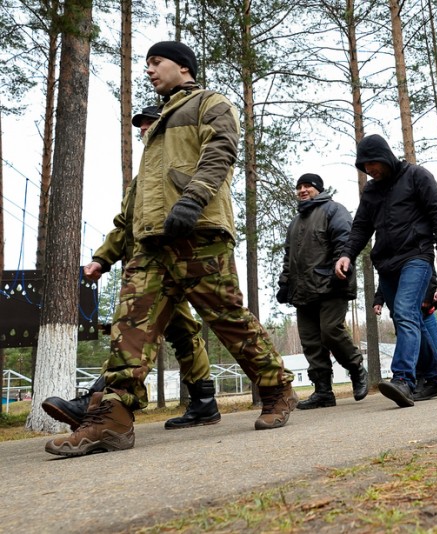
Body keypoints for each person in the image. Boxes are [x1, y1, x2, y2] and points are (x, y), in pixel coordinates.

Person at [45, 41, 297, 457]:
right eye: (145, 65)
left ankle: (276, 390)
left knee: (228, 318)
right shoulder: (156, 130)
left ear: (183, 67)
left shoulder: (209, 103)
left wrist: (193, 198)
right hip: (151, 246)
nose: (149, 71)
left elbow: (221, 150)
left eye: (155, 62)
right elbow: (136, 202)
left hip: (198, 235)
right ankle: (112, 420)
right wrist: (106, 256)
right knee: (128, 330)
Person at [42, 106, 221, 431]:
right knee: (176, 333)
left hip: (176, 260)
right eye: (140, 127)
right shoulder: (142, 181)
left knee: (137, 331)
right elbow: (124, 226)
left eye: (150, 125)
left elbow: (205, 199)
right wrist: (102, 258)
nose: (144, 131)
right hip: (150, 269)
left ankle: (101, 402)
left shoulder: (181, 165)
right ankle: (203, 403)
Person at [335, 134, 437, 407]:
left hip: (416, 256)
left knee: (404, 313)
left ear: (385, 156)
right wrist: (346, 254)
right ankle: (436, 378)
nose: (370, 170)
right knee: (412, 320)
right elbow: (361, 227)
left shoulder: (416, 176)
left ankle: (403, 379)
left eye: (373, 163)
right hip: (387, 264)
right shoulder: (372, 191)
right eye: (364, 166)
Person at [276, 173, 368, 410]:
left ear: (318, 188)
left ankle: (356, 368)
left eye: (307, 186)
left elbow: (344, 242)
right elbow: (289, 257)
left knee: (330, 331)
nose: (302, 190)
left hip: (330, 285)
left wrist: (341, 270)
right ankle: (323, 391)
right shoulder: (295, 223)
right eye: (299, 187)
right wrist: (284, 283)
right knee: (310, 342)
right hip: (302, 290)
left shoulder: (333, 210)